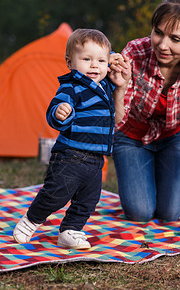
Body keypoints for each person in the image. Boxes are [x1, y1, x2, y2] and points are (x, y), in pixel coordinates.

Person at [13, 28, 130, 249]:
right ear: (70, 62)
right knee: (56, 193)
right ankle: (31, 220)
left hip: (96, 159)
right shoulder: (72, 86)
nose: (94, 65)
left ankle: (71, 230)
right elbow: (54, 111)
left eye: (100, 61)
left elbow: (103, 56)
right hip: (71, 156)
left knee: (88, 200)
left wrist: (109, 57)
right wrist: (60, 112)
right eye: (86, 60)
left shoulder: (104, 84)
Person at [110, 0, 180, 235]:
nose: (162, 44)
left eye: (175, 38)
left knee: (171, 213)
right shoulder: (135, 53)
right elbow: (117, 121)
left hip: (175, 138)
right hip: (131, 137)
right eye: (158, 32)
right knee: (140, 212)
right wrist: (119, 88)